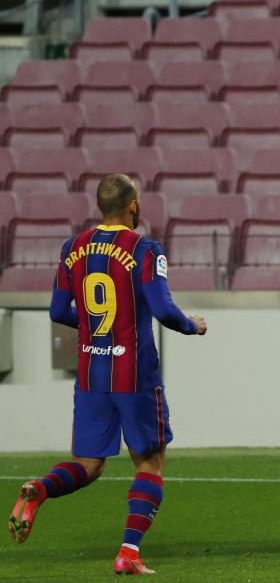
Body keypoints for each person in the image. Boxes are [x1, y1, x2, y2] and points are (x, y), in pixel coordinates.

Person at [8, 174, 207, 575]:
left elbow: (57, 311)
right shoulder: (146, 250)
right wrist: (192, 325)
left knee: (89, 463)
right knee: (149, 464)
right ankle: (128, 553)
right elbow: (165, 310)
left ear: (101, 206)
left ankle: (40, 489)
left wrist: (94, 330)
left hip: (91, 371)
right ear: (133, 205)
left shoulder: (72, 248)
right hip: (134, 373)